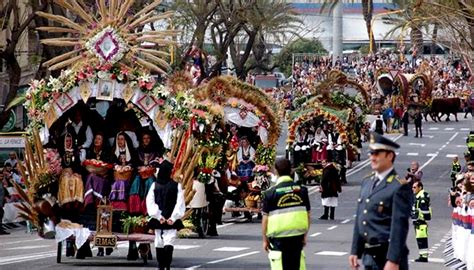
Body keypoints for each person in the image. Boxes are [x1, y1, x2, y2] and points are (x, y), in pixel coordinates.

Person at [349, 132, 413, 270]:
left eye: (377, 153)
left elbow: (399, 227)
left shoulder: (399, 187)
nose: (372, 157)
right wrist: (355, 250)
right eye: (371, 153)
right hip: (369, 257)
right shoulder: (367, 182)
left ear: (390, 156)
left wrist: (393, 260)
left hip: (387, 257)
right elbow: (361, 216)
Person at [262, 158, 310, 270]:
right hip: (297, 237)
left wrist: (265, 240)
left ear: (276, 171)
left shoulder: (270, 193)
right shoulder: (301, 191)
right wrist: (305, 235)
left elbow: (265, 219)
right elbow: (308, 215)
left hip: (278, 239)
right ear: (291, 171)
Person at [146, 160, 185, 270]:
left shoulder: (155, 185)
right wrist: (173, 217)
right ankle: (167, 264)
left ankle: (161, 265)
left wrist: (158, 216)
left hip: (160, 219)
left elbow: (150, 202)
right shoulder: (176, 186)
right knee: (169, 240)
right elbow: (180, 203)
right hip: (170, 219)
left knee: (158, 241)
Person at [411, 181, 431, 263]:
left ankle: (424, 257)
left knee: (422, 239)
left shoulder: (422, 196)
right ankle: (422, 255)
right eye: (412, 187)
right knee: (420, 239)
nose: (413, 189)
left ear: (420, 187)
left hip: (421, 221)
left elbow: (425, 209)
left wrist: (424, 219)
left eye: (415, 187)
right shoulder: (419, 196)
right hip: (418, 221)